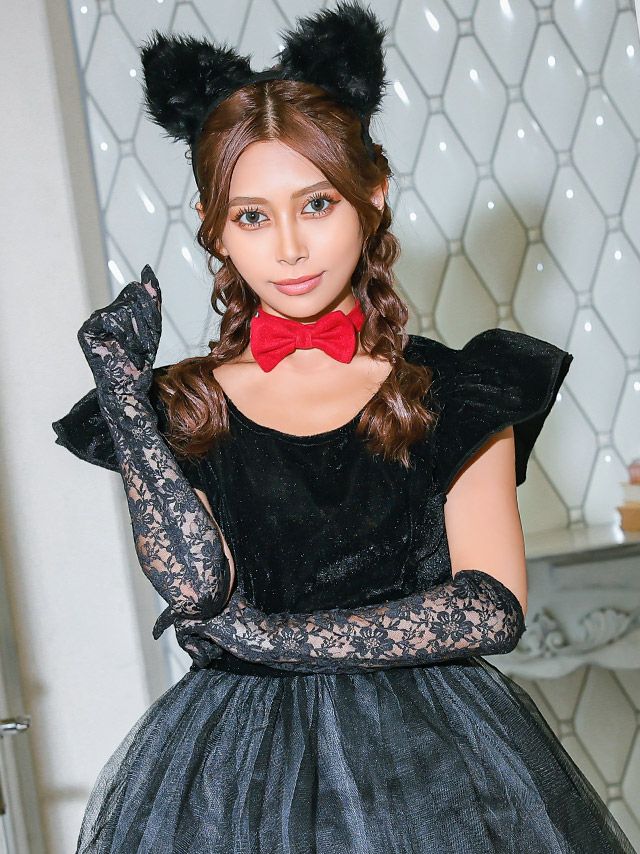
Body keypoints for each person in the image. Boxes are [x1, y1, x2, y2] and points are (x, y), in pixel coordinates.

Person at [52, 3, 635, 851]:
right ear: (215, 226)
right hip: (234, 777)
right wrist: (120, 390)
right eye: (252, 216)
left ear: (373, 193)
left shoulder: (460, 387)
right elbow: (194, 590)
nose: (289, 247)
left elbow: (491, 607)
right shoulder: (181, 404)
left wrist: (274, 640)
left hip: (433, 764)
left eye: (317, 203)